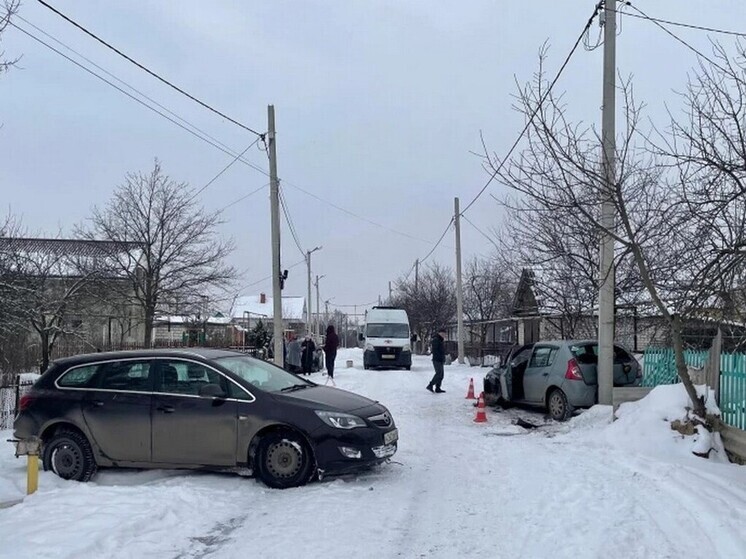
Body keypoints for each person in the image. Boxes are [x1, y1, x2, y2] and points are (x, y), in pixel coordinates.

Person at [426, 327, 447, 393]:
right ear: (439, 333)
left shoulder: (441, 340)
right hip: (437, 359)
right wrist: (439, 356)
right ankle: (430, 385)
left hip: (440, 359)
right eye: (442, 333)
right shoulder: (436, 340)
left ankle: (438, 387)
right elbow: (435, 350)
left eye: (444, 333)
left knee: (441, 375)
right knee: (438, 373)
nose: (443, 334)